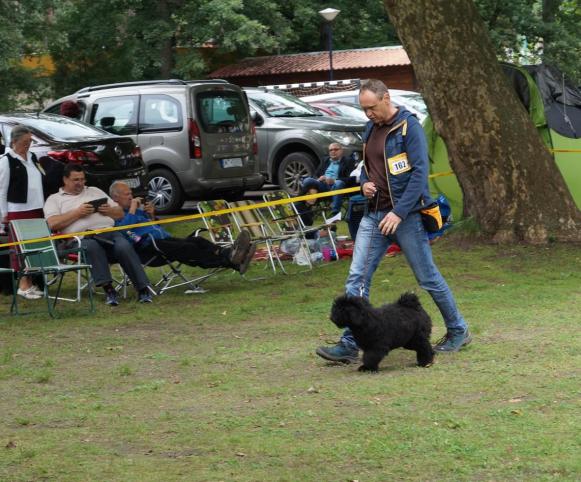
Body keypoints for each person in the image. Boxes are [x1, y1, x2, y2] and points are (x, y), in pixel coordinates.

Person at [316, 79, 471, 362]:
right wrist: (364, 184)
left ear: (386, 98)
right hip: (374, 216)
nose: (369, 114)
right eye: (364, 109)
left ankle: (458, 329)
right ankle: (350, 344)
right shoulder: (370, 129)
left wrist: (398, 212)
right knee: (357, 278)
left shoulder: (408, 128)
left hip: (406, 217)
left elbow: (419, 174)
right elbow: (367, 168)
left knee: (427, 278)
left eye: (372, 108)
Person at [43, 164, 153, 305]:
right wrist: (78, 213)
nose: (80, 183)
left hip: (108, 232)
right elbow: (52, 224)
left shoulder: (95, 191)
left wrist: (107, 211)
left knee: (123, 246)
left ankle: (143, 288)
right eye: (76, 180)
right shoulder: (55, 199)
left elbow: (119, 213)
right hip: (81, 238)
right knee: (92, 246)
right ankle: (109, 290)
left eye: (82, 179)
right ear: (65, 180)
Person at [109, 181, 256, 274]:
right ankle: (232, 260)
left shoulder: (138, 211)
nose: (131, 197)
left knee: (197, 241)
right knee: (188, 249)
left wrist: (152, 215)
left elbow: (155, 227)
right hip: (149, 247)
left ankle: (231, 254)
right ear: (115, 198)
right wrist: (134, 208)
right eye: (127, 194)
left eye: (131, 193)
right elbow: (125, 232)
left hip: (164, 240)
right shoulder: (115, 215)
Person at [0, 125, 46, 300]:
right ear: (15, 141)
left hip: (36, 208)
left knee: (35, 246)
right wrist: (3, 215)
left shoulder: (33, 157)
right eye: (25, 142)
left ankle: (32, 281)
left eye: (30, 141)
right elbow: (1, 190)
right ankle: (22, 284)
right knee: (20, 248)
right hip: (17, 210)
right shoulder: (6, 160)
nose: (29, 145)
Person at [300, 143, 356, 215]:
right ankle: (299, 203)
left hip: (337, 187)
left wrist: (334, 180)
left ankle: (335, 212)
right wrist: (319, 178)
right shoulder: (325, 160)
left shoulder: (348, 161)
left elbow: (351, 178)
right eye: (331, 150)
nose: (333, 151)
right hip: (323, 185)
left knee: (339, 183)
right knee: (308, 180)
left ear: (341, 151)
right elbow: (316, 174)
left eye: (336, 149)